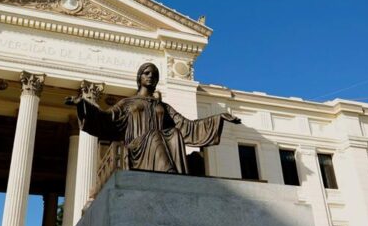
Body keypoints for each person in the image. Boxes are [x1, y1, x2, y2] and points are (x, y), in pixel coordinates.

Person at [66, 63, 241, 174]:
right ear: (140, 77)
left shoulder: (162, 106)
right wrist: (82, 104)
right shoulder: (128, 103)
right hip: (135, 148)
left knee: (173, 134)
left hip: (156, 143)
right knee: (155, 135)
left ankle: (174, 177)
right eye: (147, 73)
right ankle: (169, 174)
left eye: (154, 74)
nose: (150, 76)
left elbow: (187, 126)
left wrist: (218, 118)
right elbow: (107, 117)